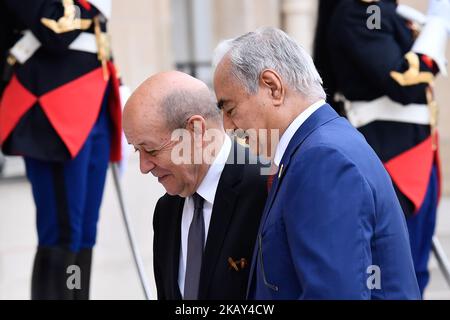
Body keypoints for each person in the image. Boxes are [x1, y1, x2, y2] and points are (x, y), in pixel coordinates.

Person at [213, 26, 421, 299]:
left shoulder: (322, 159)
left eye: (230, 109)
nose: (227, 126)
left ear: (272, 87)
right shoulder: (316, 147)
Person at [313, 0, 450, 295]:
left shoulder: (384, 10)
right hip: (389, 159)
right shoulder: (359, 11)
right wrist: (437, 28)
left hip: (415, 155)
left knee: (415, 270)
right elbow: (404, 80)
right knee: (392, 278)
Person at [0, 0, 123, 299]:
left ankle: (76, 295)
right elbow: (55, 29)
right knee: (62, 232)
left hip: (94, 99)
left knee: (85, 232)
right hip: (50, 105)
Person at [123, 71, 268, 300]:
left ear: (195, 130)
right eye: (136, 150)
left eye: (150, 150)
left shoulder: (266, 188)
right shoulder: (166, 211)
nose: (143, 166)